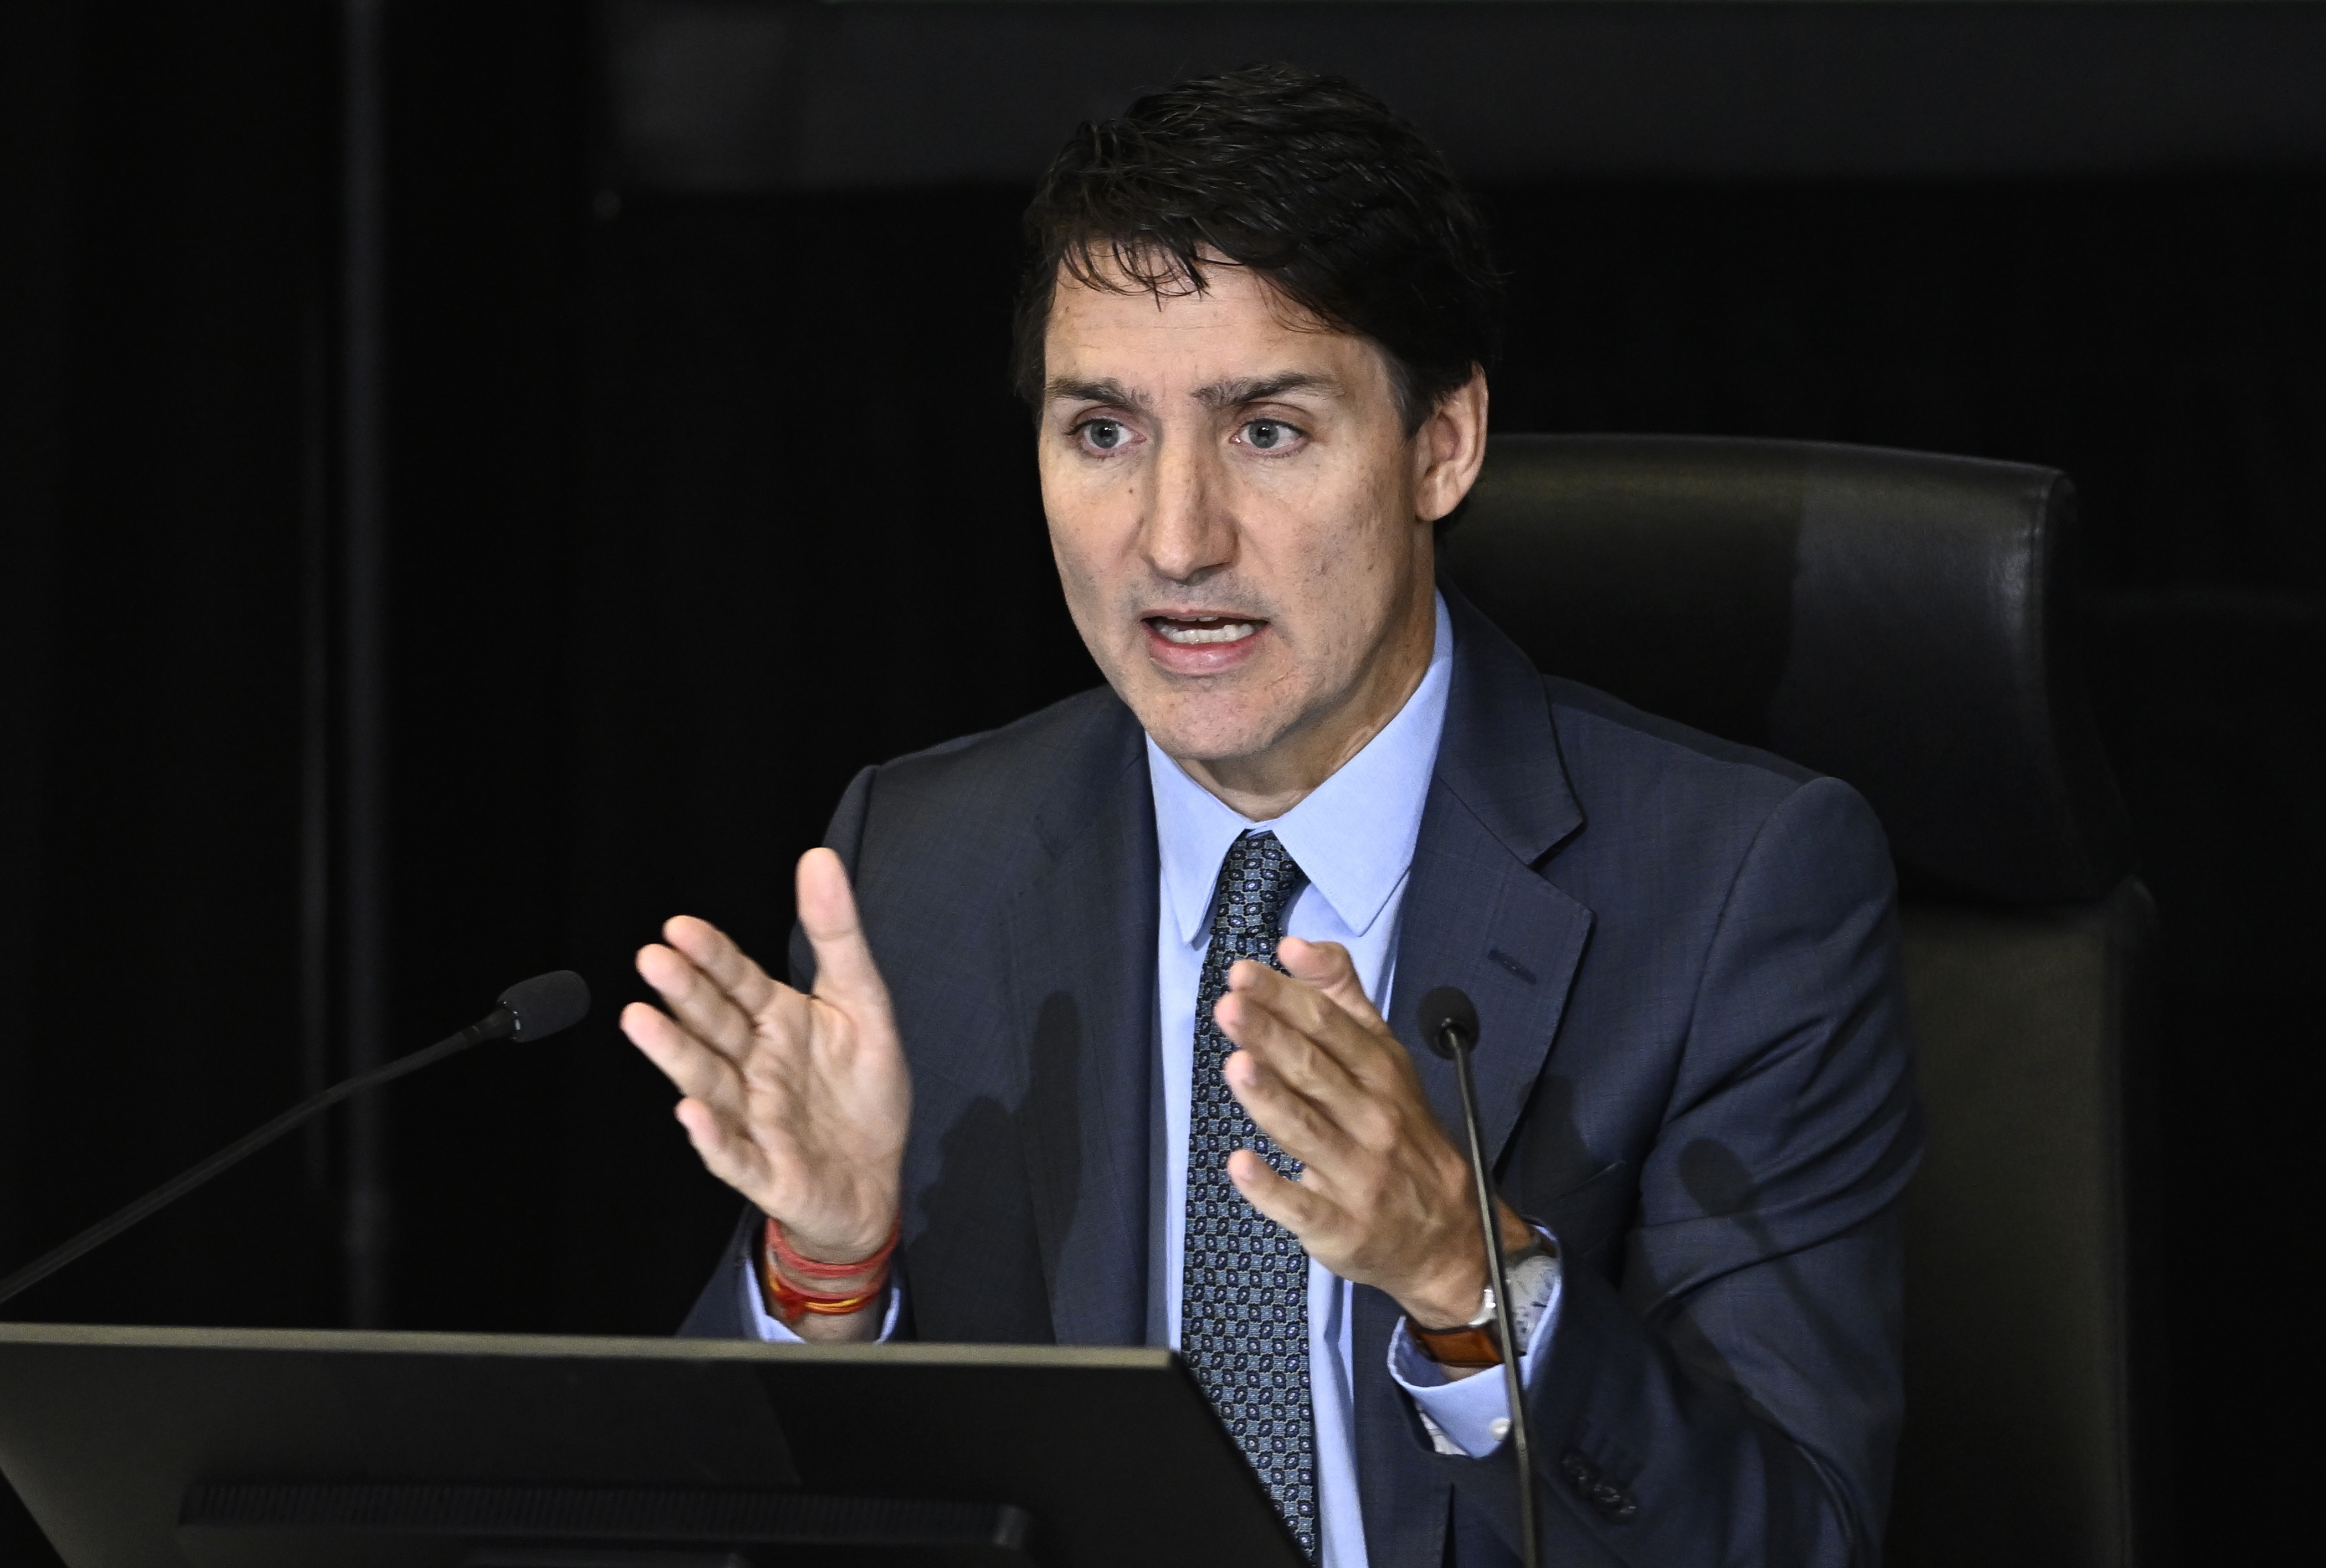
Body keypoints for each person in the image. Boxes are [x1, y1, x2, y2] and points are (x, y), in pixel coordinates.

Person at [620, 64, 1919, 1568]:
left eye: (1267, 432)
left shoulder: (1738, 888)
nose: (1176, 539)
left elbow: (1797, 1546)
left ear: (1443, 446)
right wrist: (829, 1275)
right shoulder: (923, 864)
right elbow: (731, 1531)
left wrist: (1467, 1280)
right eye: (1103, 433)